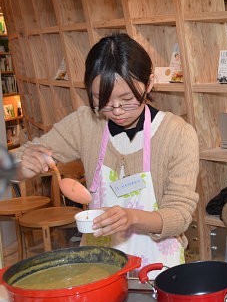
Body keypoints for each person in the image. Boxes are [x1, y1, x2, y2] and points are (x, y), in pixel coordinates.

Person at [15, 33, 199, 272]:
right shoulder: (87, 124)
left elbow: (179, 214)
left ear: (150, 83)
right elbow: (17, 158)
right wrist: (22, 165)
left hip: (158, 267)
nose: (117, 110)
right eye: (103, 100)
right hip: (99, 262)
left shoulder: (177, 134)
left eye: (127, 98)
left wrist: (131, 218)